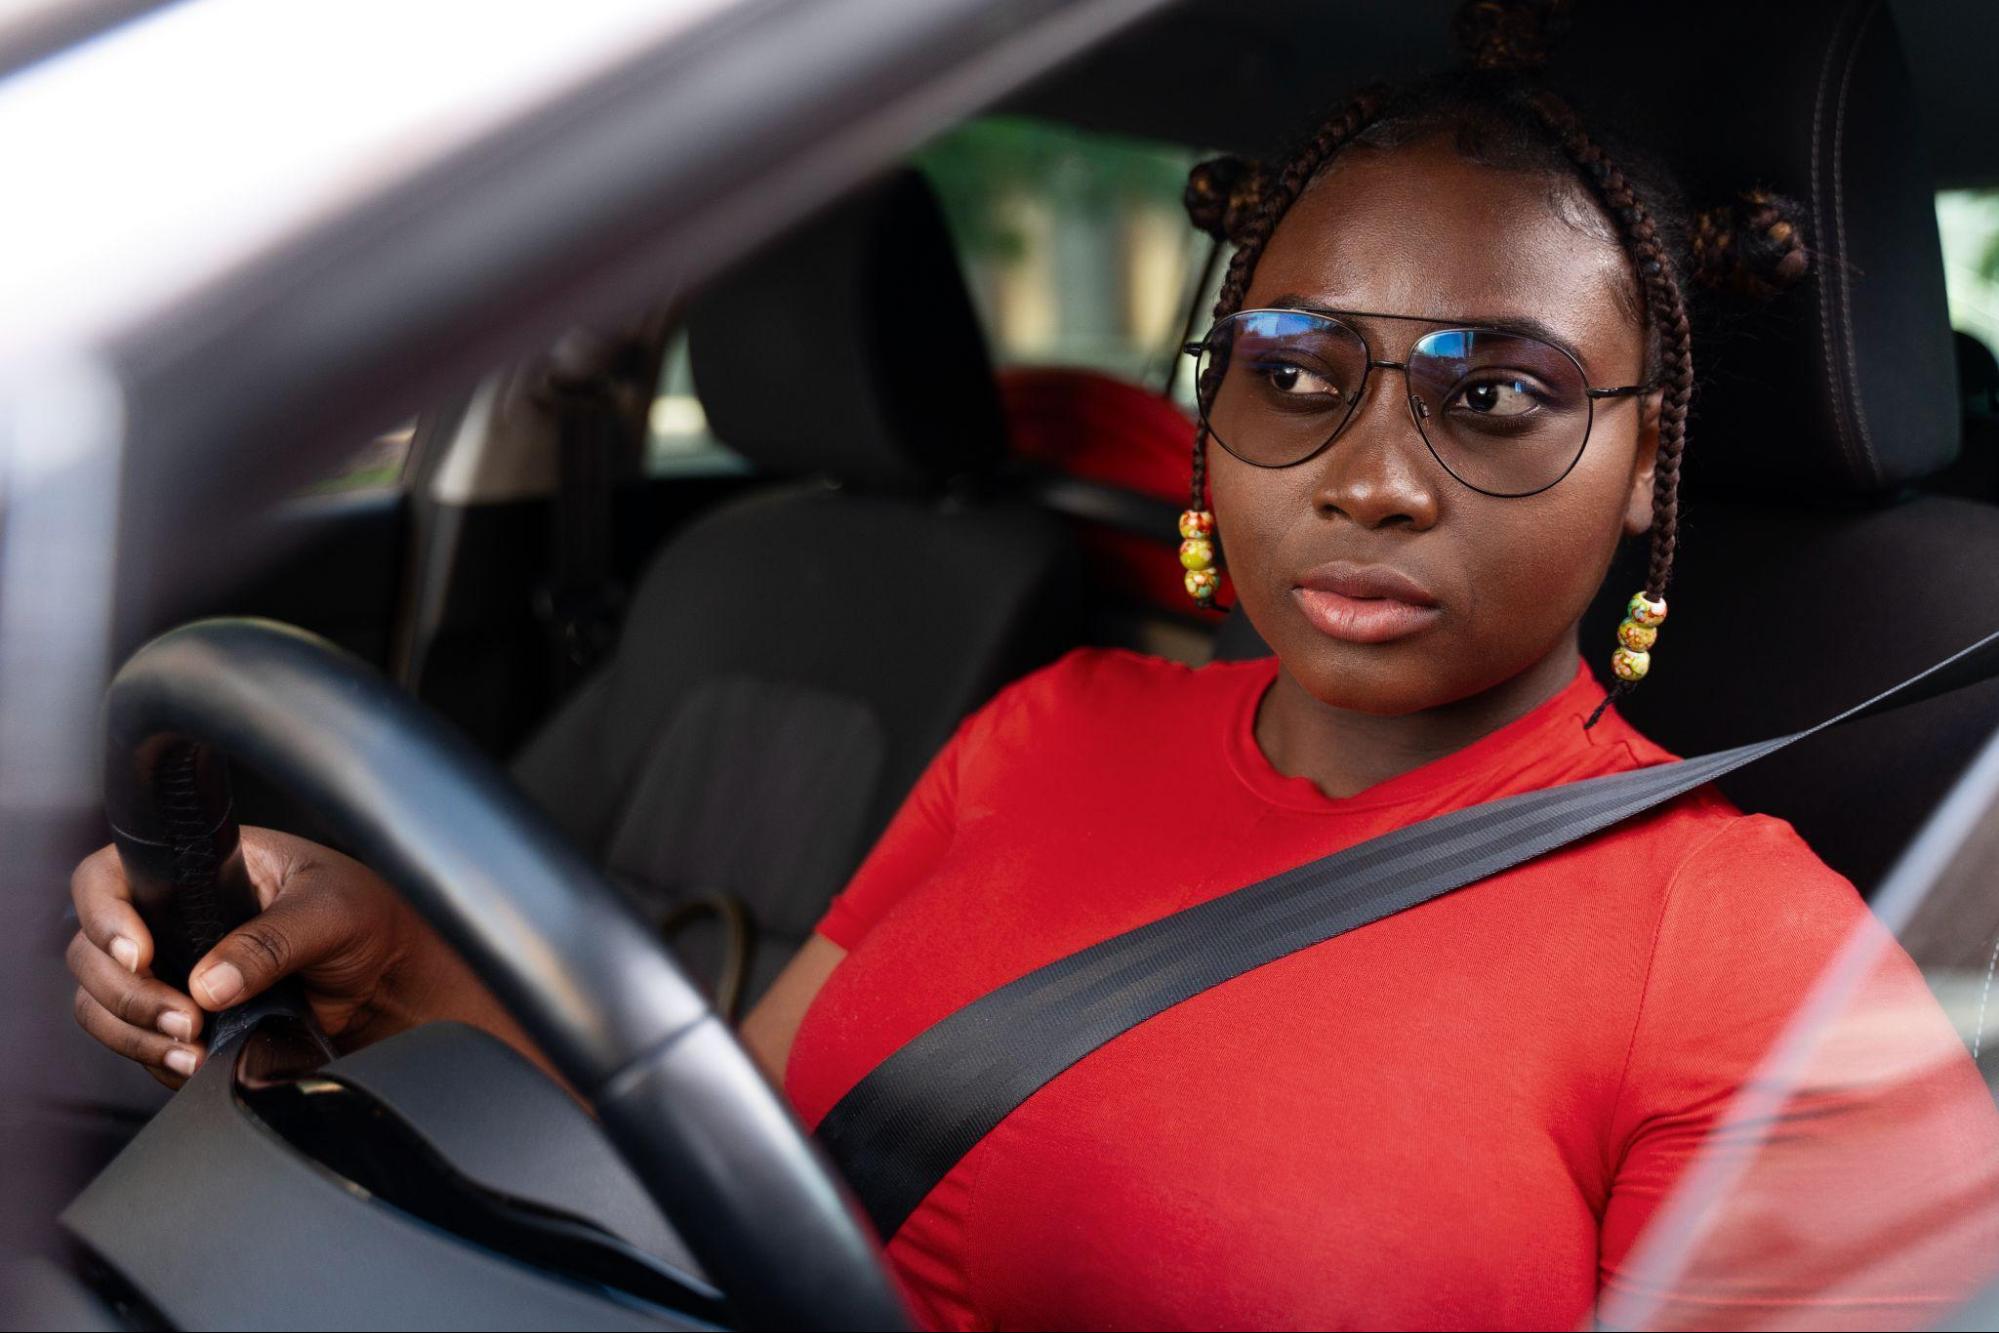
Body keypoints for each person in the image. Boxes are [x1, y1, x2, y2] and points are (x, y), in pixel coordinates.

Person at [62, 11, 1999, 1330]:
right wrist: (392, 946)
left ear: (1648, 451)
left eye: (1498, 396)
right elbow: (734, 1141)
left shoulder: (1753, 958)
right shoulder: (1046, 730)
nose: (1372, 474)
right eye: (1295, 373)